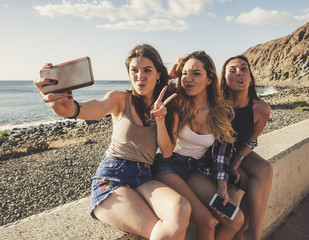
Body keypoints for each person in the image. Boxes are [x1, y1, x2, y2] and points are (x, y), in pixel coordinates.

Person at [34, 44, 191, 240]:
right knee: (158, 230)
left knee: (182, 208)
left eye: (147, 70)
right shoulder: (120, 99)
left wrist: (160, 119)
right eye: (134, 70)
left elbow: (167, 152)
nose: (139, 76)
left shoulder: (170, 110)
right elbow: (94, 108)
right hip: (112, 178)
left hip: (144, 177)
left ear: (159, 74)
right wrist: (67, 107)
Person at [152, 51, 244, 240]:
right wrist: (170, 77)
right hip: (167, 166)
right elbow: (149, 90)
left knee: (236, 220)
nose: (188, 79)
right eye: (184, 74)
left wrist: (222, 185)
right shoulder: (175, 102)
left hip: (193, 169)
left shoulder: (222, 112)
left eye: (196, 73)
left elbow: (221, 154)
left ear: (210, 79)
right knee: (207, 222)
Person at [211, 55, 273, 240]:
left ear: (251, 77)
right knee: (255, 184)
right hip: (217, 155)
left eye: (244, 69)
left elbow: (250, 142)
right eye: (233, 71)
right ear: (225, 80)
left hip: (238, 153)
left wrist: (237, 164)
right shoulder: (218, 106)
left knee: (266, 169)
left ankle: (253, 232)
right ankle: (246, 234)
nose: (240, 73)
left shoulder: (261, 109)